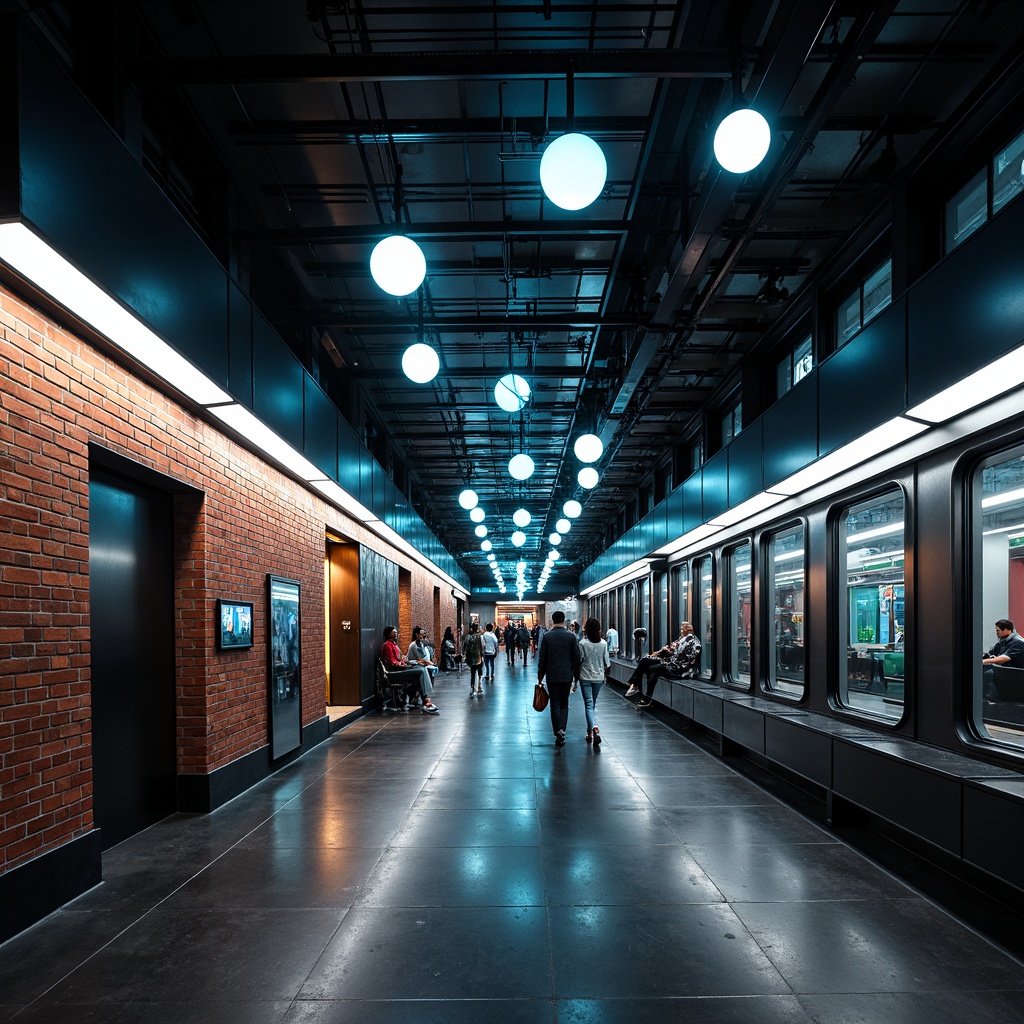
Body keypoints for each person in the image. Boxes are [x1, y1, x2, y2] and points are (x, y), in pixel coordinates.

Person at [625, 622, 701, 708]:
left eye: (682, 629)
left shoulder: (690, 641)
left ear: (687, 630)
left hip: (678, 668)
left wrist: (667, 652)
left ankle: (642, 692)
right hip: (670, 662)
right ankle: (637, 686)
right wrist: (667, 651)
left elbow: (680, 655)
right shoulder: (683, 639)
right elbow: (674, 650)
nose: (681, 631)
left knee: (653, 669)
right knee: (645, 662)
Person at [537, 610, 581, 747]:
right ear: (563, 620)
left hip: (552, 675)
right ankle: (563, 730)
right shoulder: (571, 636)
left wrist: (540, 676)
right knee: (564, 703)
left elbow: (542, 658)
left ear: (553, 620)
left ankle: (558, 731)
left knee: (554, 704)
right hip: (566, 675)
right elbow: (576, 657)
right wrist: (576, 676)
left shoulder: (547, 636)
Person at [380, 626, 439, 713]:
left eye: (396, 632)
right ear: (389, 634)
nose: (396, 634)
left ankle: (423, 698)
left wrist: (404, 661)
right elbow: (393, 662)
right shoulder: (387, 645)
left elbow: (399, 659)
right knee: (421, 670)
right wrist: (403, 663)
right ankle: (425, 699)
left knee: (422, 668)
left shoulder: (394, 644)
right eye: (394, 633)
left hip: (400, 668)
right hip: (394, 672)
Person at [578, 616, 611, 745]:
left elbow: (580, 659)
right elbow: (607, 663)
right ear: (598, 629)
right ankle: (590, 731)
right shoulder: (603, 643)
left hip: (585, 677)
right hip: (598, 677)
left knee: (588, 704)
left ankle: (593, 728)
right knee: (592, 704)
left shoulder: (583, 643)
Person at [982, 618, 1024, 702]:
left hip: (1015, 673)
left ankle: (991, 699)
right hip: (1005, 671)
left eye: (998, 630)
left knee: (987, 674)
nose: (996, 632)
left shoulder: (1018, 642)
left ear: (1007, 630)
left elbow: (1004, 658)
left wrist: (983, 662)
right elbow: (992, 654)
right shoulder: (1003, 641)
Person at [464, 621, 484, 696]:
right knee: (479, 672)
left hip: (471, 657)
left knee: (472, 673)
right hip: (479, 657)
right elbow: (482, 646)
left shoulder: (468, 637)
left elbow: (465, 646)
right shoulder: (480, 636)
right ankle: (479, 686)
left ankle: (473, 688)